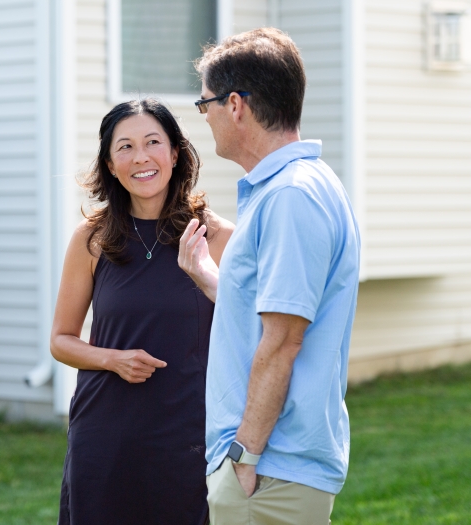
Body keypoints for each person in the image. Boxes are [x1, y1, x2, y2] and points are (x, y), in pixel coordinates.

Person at [178, 28, 361, 524]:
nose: (206, 117)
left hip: (269, 472)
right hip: (273, 471)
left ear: (235, 105)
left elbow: (283, 341)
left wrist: (243, 458)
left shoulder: (289, 196)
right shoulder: (296, 187)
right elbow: (276, 311)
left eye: (205, 104)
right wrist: (213, 279)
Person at [51, 98, 233, 524]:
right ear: (111, 164)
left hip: (189, 437)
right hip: (104, 437)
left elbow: (249, 332)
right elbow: (61, 340)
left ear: (175, 153)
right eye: (125, 147)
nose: (141, 157)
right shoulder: (91, 238)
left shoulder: (219, 237)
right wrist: (112, 360)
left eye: (153, 142)